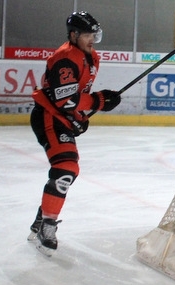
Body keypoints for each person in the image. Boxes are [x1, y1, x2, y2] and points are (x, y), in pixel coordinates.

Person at [28, 12, 121, 256]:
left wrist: (79, 116)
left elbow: (75, 97)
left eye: (94, 35)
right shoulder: (65, 58)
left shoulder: (90, 57)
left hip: (60, 118)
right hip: (48, 117)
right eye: (88, 35)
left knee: (69, 170)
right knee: (65, 168)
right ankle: (46, 226)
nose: (93, 40)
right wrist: (99, 101)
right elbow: (65, 99)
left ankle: (42, 218)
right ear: (73, 35)